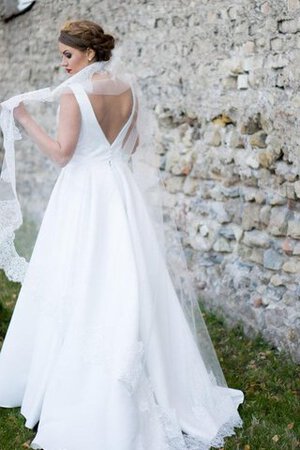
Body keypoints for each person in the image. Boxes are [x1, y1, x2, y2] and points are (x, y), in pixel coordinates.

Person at [0, 19, 244, 450]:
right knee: (127, 278)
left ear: (89, 54)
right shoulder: (128, 91)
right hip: (120, 193)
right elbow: (129, 149)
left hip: (83, 197)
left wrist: (23, 119)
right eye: (62, 56)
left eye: (68, 56)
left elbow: (61, 155)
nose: (63, 65)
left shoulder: (74, 97)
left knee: (81, 278)